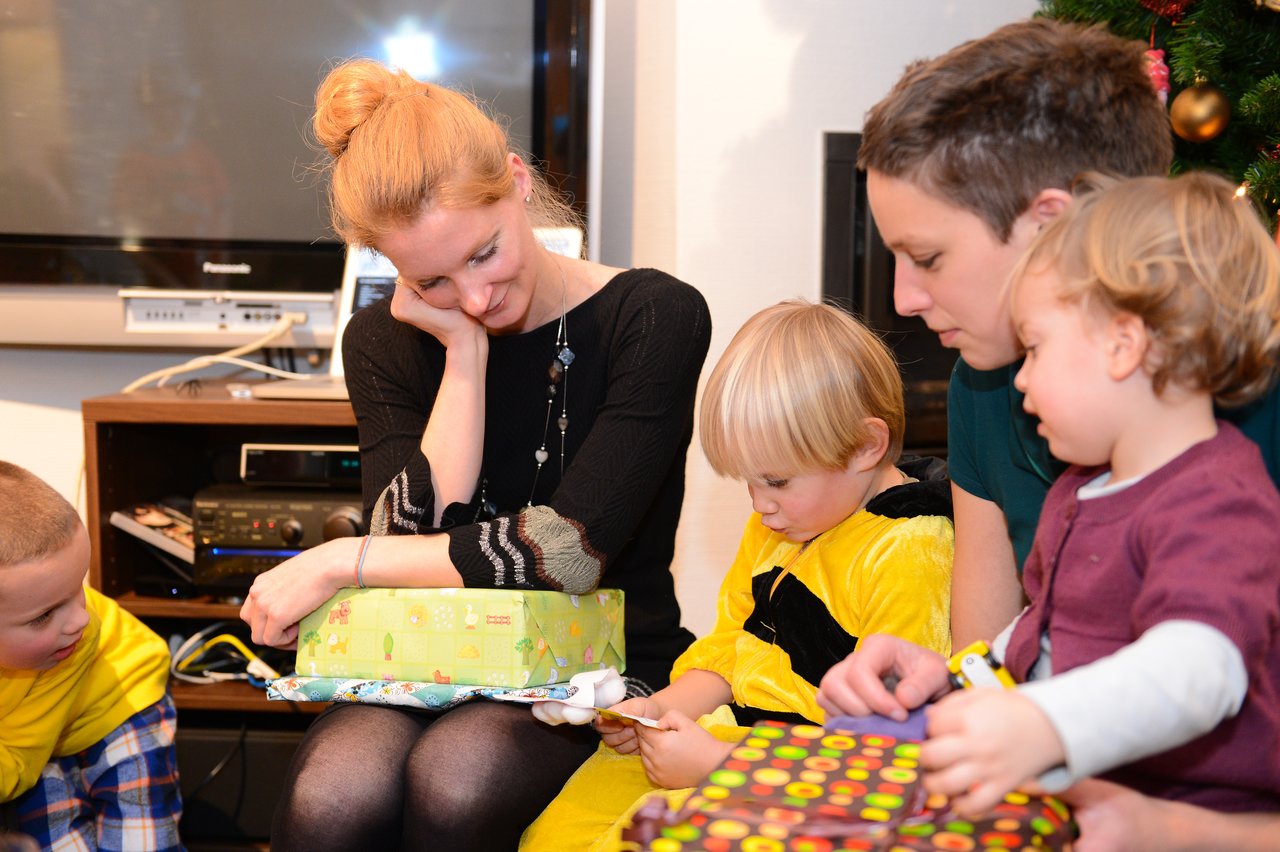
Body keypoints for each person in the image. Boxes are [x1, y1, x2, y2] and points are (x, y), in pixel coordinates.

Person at [817, 16, 1280, 843]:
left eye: (926, 257)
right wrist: (950, 681)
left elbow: (1202, 673)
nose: (902, 301)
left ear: (1051, 225)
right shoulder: (987, 385)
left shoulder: (1226, 455)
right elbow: (1029, 639)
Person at [238, 59, 711, 850]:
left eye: (485, 253)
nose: (477, 298)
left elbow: (566, 551)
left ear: (518, 183)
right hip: (424, 656)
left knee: (458, 781)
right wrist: (463, 356)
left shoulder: (654, 316)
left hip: (592, 665)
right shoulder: (388, 341)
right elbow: (403, 537)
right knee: (332, 796)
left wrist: (332, 562)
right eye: (435, 278)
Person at [520, 300, 955, 851]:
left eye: (775, 481)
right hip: (730, 736)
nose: (760, 505)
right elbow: (732, 649)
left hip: (810, 777)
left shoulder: (910, 548)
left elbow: (885, 753)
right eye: (748, 483)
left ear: (866, 447)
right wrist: (657, 711)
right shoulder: (783, 524)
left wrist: (722, 764)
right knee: (557, 829)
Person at [0, 461, 181, 850]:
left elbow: (16, 763)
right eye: (45, 614)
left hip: (119, 704)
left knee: (138, 832)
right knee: (52, 835)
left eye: (78, 587)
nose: (80, 618)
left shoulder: (74, 640)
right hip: (34, 736)